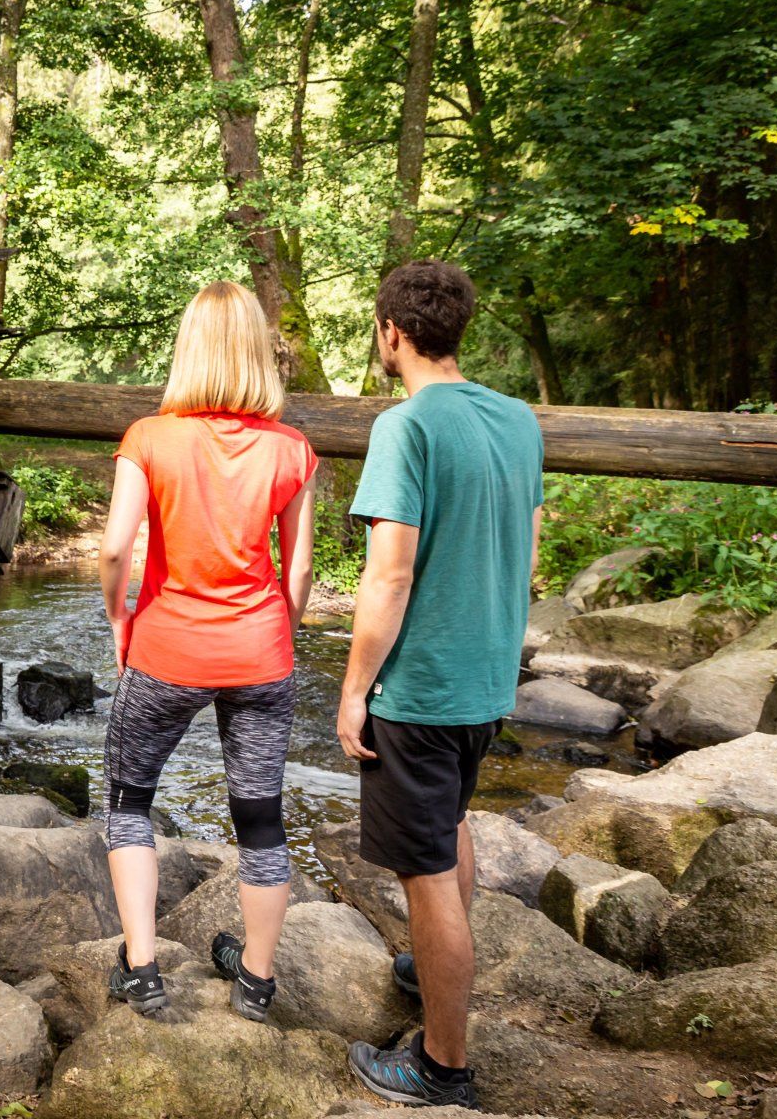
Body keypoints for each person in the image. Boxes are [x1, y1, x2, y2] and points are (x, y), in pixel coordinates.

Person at [337, 259, 543, 1109]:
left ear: (392, 332)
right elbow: (528, 542)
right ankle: (432, 973)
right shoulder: (519, 419)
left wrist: (354, 690)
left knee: (424, 872)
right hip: (484, 680)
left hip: (417, 691)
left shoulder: (406, 426)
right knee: (449, 826)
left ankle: (440, 1067)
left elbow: (390, 576)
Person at [98, 279, 317, 1023]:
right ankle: (255, 982)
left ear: (188, 349)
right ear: (259, 353)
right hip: (262, 655)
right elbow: (300, 571)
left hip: (167, 649)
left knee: (129, 803)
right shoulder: (292, 449)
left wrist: (119, 622)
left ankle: (143, 969)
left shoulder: (149, 437)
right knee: (260, 818)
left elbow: (113, 549)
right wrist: (275, 636)